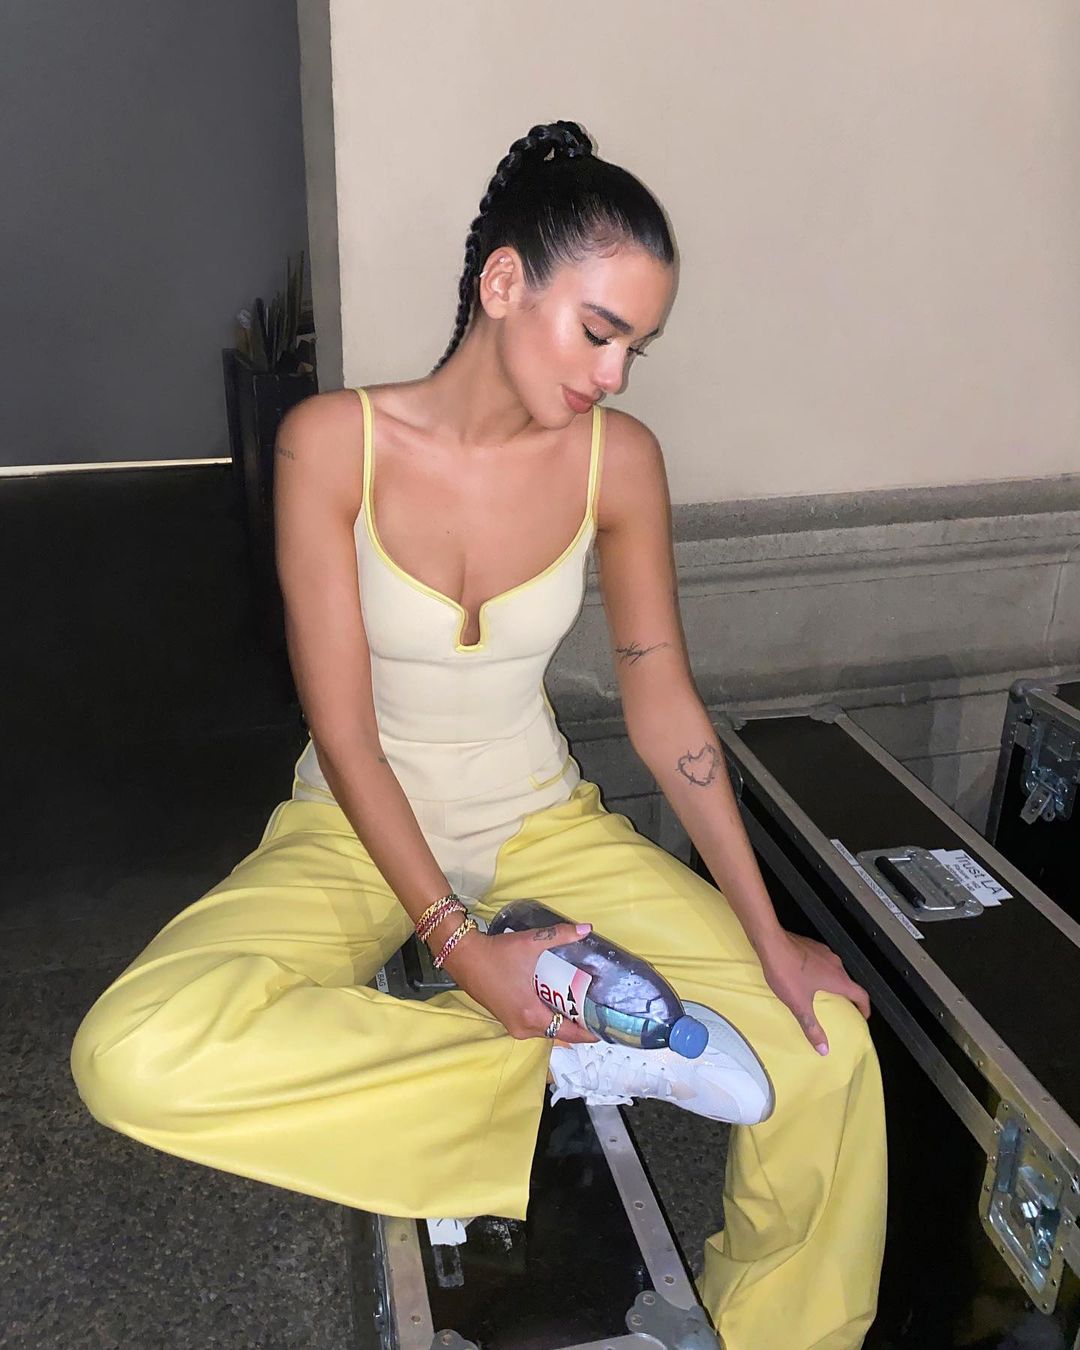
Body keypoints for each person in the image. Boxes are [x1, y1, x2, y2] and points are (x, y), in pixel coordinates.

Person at [71, 120, 886, 1348]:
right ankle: (550, 1061)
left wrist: (769, 939)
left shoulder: (620, 462)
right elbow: (345, 731)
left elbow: (663, 707)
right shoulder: (330, 442)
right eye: (598, 332)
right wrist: (461, 952)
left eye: (636, 347)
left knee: (825, 1055)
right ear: (504, 283)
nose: (616, 374)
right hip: (353, 822)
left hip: (538, 820)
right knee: (132, 1049)